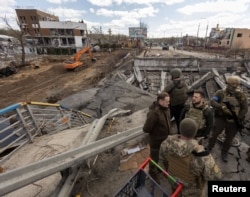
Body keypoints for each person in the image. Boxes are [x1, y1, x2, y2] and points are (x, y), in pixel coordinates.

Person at [159, 118, 222, 197]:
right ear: (194, 133)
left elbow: (162, 162)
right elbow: (215, 177)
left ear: (180, 129)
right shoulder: (202, 156)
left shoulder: (166, 143)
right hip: (191, 192)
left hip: (174, 182)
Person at [207, 76, 248, 162]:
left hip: (233, 121)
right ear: (227, 84)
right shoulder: (221, 93)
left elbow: (245, 108)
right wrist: (221, 107)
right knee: (214, 134)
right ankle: (209, 147)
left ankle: (224, 152)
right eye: (232, 84)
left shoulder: (241, 95)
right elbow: (213, 101)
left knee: (229, 139)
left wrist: (238, 117)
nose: (234, 86)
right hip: (221, 118)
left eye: (236, 85)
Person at [143, 92, 171, 183]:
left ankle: (159, 168)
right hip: (156, 141)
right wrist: (156, 132)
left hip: (165, 140)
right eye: (167, 101)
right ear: (161, 101)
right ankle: (152, 172)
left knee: (161, 156)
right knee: (154, 158)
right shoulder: (154, 113)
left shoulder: (165, 109)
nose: (168, 103)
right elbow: (146, 129)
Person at [164, 68, 188, 133]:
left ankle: (166, 133)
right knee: (179, 122)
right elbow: (187, 93)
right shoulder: (184, 84)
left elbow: (163, 93)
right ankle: (180, 135)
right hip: (182, 106)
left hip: (172, 107)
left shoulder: (171, 85)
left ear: (173, 76)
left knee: (166, 121)